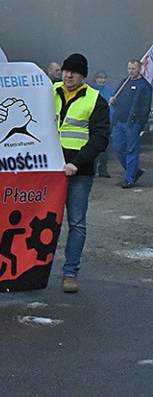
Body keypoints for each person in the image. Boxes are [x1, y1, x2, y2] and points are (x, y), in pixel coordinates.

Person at [54, 53, 109, 294]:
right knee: (43, 221)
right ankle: (35, 269)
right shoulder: (49, 91)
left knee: (76, 223)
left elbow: (100, 138)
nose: (68, 75)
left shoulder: (95, 100)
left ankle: (70, 273)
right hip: (50, 170)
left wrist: (76, 163)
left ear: (83, 76)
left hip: (79, 171)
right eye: (66, 71)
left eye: (74, 72)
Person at [109, 59, 152, 189]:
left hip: (132, 123)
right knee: (118, 148)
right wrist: (113, 100)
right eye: (129, 68)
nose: (131, 71)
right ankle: (134, 171)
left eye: (133, 69)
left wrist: (139, 123)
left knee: (132, 150)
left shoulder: (145, 86)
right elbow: (117, 97)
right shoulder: (125, 82)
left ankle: (129, 179)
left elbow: (145, 108)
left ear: (139, 69)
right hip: (119, 121)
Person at [89, 71, 115, 177]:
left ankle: (103, 170)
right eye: (100, 78)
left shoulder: (110, 90)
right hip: (94, 122)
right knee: (93, 147)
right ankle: (92, 169)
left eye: (104, 78)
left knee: (105, 148)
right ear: (95, 79)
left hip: (108, 122)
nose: (102, 80)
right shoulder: (90, 90)